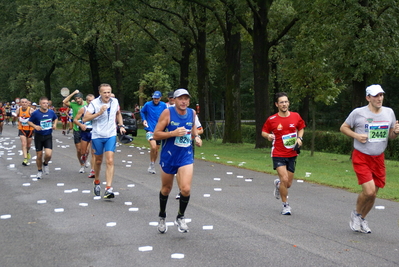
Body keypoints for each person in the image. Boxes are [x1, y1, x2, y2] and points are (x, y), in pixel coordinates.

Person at [340, 84, 399, 234]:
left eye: (381, 95)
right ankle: (355, 214)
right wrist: (356, 136)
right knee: (369, 191)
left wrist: (396, 132)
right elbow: (343, 127)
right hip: (361, 156)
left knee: (374, 193)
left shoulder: (389, 112)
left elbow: (391, 135)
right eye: (376, 96)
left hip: (379, 158)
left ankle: (361, 218)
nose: (379, 98)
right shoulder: (358, 113)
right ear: (368, 98)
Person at [153, 88, 202, 234]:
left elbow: (193, 127)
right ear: (174, 100)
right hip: (169, 156)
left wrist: (197, 136)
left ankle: (180, 217)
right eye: (181, 98)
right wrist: (172, 133)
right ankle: (162, 216)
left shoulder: (192, 113)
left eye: (186, 99)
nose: (184, 101)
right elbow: (156, 134)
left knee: (185, 189)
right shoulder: (168, 113)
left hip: (185, 155)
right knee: (166, 189)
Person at [261, 92, 305, 215]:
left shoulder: (296, 116)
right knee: (284, 179)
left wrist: (299, 139)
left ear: (288, 103)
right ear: (277, 104)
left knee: (288, 184)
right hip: (278, 153)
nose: (284, 104)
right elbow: (263, 132)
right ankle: (285, 205)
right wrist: (268, 135)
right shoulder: (272, 119)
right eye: (281, 102)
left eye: (286, 101)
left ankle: (278, 184)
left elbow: (301, 128)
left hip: (292, 154)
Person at [83, 83, 125, 199]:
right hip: (97, 135)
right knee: (98, 161)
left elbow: (118, 113)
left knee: (110, 160)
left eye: (109, 92)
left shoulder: (115, 101)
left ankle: (108, 188)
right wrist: (99, 113)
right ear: (100, 93)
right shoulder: (94, 103)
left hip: (111, 134)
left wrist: (121, 125)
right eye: (104, 92)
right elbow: (85, 118)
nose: (107, 94)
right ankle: (96, 181)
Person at [28, 96, 58, 179]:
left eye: (46, 103)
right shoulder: (35, 113)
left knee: (48, 155)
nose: (45, 105)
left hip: (48, 135)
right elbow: (29, 121)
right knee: (39, 155)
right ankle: (39, 170)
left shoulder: (51, 112)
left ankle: (45, 163)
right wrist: (35, 126)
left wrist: (55, 124)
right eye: (43, 103)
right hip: (38, 136)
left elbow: (55, 119)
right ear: (40, 104)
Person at [140, 91, 167, 174]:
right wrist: (144, 120)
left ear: (160, 98)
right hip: (150, 129)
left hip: (159, 130)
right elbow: (142, 111)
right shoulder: (148, 104)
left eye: (157, 98)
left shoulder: (163, 105)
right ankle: (152, 164)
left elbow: (167, 115)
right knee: (154, 147)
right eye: (154, 98)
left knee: (156, 149)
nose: (156, 100)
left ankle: (152, 164)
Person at [63, 89, 87, 173]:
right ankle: (82, 165)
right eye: (76, 99)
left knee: (86, 150)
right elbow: (65, 101)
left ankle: (84, 160)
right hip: (76, 129)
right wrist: (74, 93)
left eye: (79, 98)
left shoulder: (86, 103)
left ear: (82, 99)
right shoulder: (73, 104)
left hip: (85, 129)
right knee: (79, 149)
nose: (77, 100)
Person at [74, 94, 96, 178]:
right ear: (86, 101)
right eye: (89, 100)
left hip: (94, 132)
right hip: (85, 132)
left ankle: (92, 170)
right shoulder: (83, 109)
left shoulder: (97, 109)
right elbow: (75, 120)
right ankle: (83, 163)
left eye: (92, 100)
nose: (91, 102)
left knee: (93, 152)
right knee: (83, 152)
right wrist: (81, 125)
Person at [16, 98, 34, 166]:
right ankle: (25, 159)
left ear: (27, 103)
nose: (24, 103)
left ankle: (27, 151)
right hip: (22, 129)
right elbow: (15, 116)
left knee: (28, 145)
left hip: (30, 129)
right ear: (20, 103)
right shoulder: (19, 110)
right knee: (24, 143)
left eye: (25, 102)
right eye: (22, 102)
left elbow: (34, 118)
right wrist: (16, 117)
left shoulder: (31, 110)